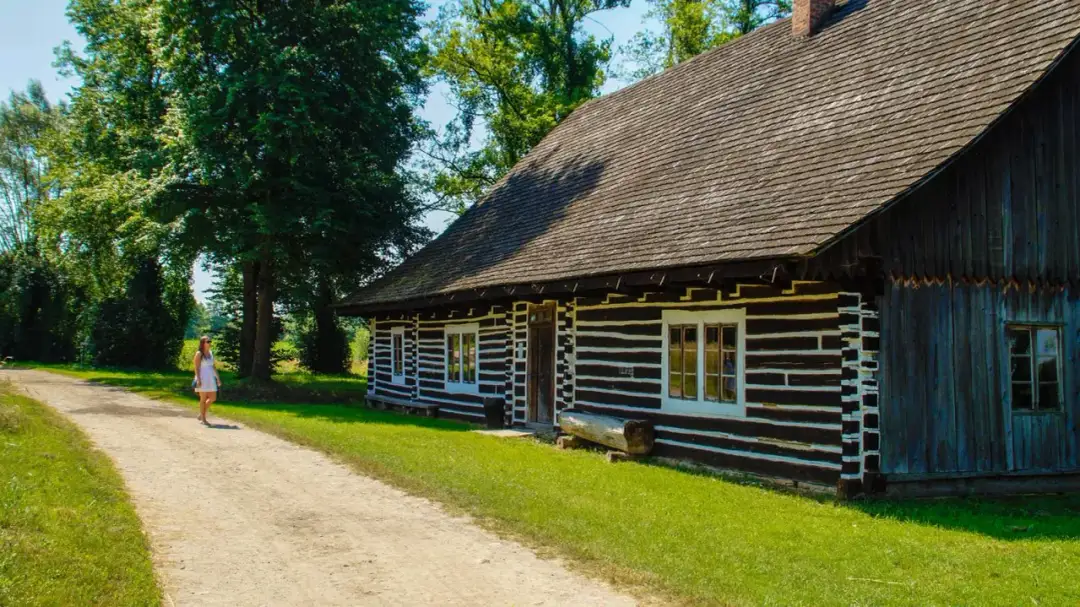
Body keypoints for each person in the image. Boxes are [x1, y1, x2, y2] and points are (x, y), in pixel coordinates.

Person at [193, 336, 222, 425]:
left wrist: (218, 378)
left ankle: (201, 414)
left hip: (210, 378)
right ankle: (203, 419)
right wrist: (198, 379)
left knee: (213, 398)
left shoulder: (210, 353)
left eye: (210, 341)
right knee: (203, 399)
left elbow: (213, 367)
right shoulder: (199, 353)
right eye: (207, 341)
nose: (209, 343)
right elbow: (196, 368)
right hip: (202, 378)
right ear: (203, 343)